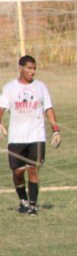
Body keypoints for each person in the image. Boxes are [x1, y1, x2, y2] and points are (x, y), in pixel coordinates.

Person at [0, 55, 61, 215]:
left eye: (34, 68)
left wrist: (56, 129)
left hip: (37, 136)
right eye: (29, 68)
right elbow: (2, 107)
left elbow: (48, 108)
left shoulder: (41, 87)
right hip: (16, 138)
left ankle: (32, 206)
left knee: (33, 170)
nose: (32, 72)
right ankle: (23, 200)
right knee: (18, 172)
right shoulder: (9, 88)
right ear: (20, 68)